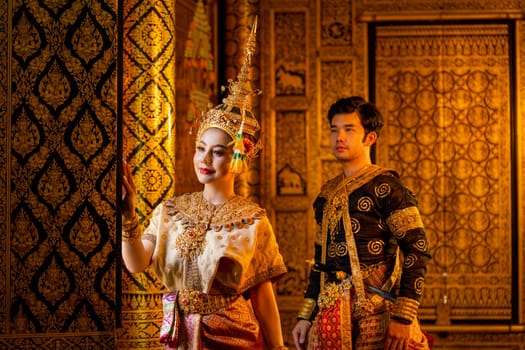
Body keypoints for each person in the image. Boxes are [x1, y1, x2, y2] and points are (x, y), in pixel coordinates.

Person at [121, 20, 288, 350]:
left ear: (237, 157)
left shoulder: (253, 220)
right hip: (180, 333)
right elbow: (137, 263)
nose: (204, 160)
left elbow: (262, 296)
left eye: (217, 152)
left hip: (232, 334)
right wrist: (128, 216)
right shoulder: (172, 210)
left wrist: (279, 347)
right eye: (200, 149)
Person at [292, 96, 433, 350]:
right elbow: (320, 262)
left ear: (370, 138)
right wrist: (305, 316)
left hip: (378, 310)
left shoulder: (388, 188)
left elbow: (417, 250)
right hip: (331, 312)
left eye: (349, 130)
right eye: (334, 130)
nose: (339, 137)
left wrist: (403, 316)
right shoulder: (326, 194)